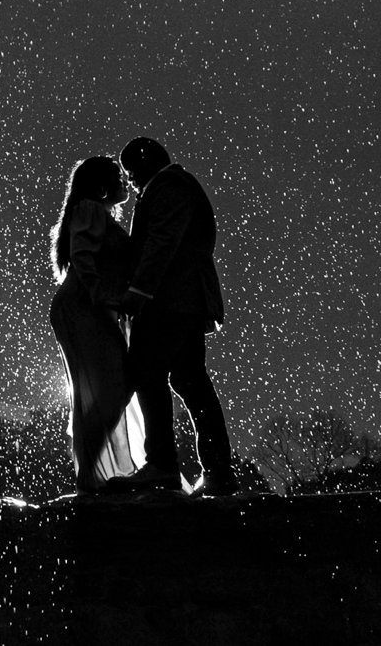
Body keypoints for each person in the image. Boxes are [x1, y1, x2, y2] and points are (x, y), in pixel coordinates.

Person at [108, 137, 238, 496]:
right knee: (190, 381)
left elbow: (162, 241)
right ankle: (216, 472)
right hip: (186, 303)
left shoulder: (168, 186)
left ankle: (163, 466)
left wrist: (139, 292)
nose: (131, 182)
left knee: (149, 374)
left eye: (132, 172)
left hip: (170, 302)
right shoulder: (177, 186)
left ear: (147, 162)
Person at [48, 155, 144, 493]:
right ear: (102, 186)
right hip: (83, 307)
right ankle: (89, 476)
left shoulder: (95, 212)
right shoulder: (90, 209)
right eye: (119, 177)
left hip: (86, 306)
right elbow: (82, 256)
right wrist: (102, 297)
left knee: (109, 387)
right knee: (108, 387)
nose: (124, 182)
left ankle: (90, 474)